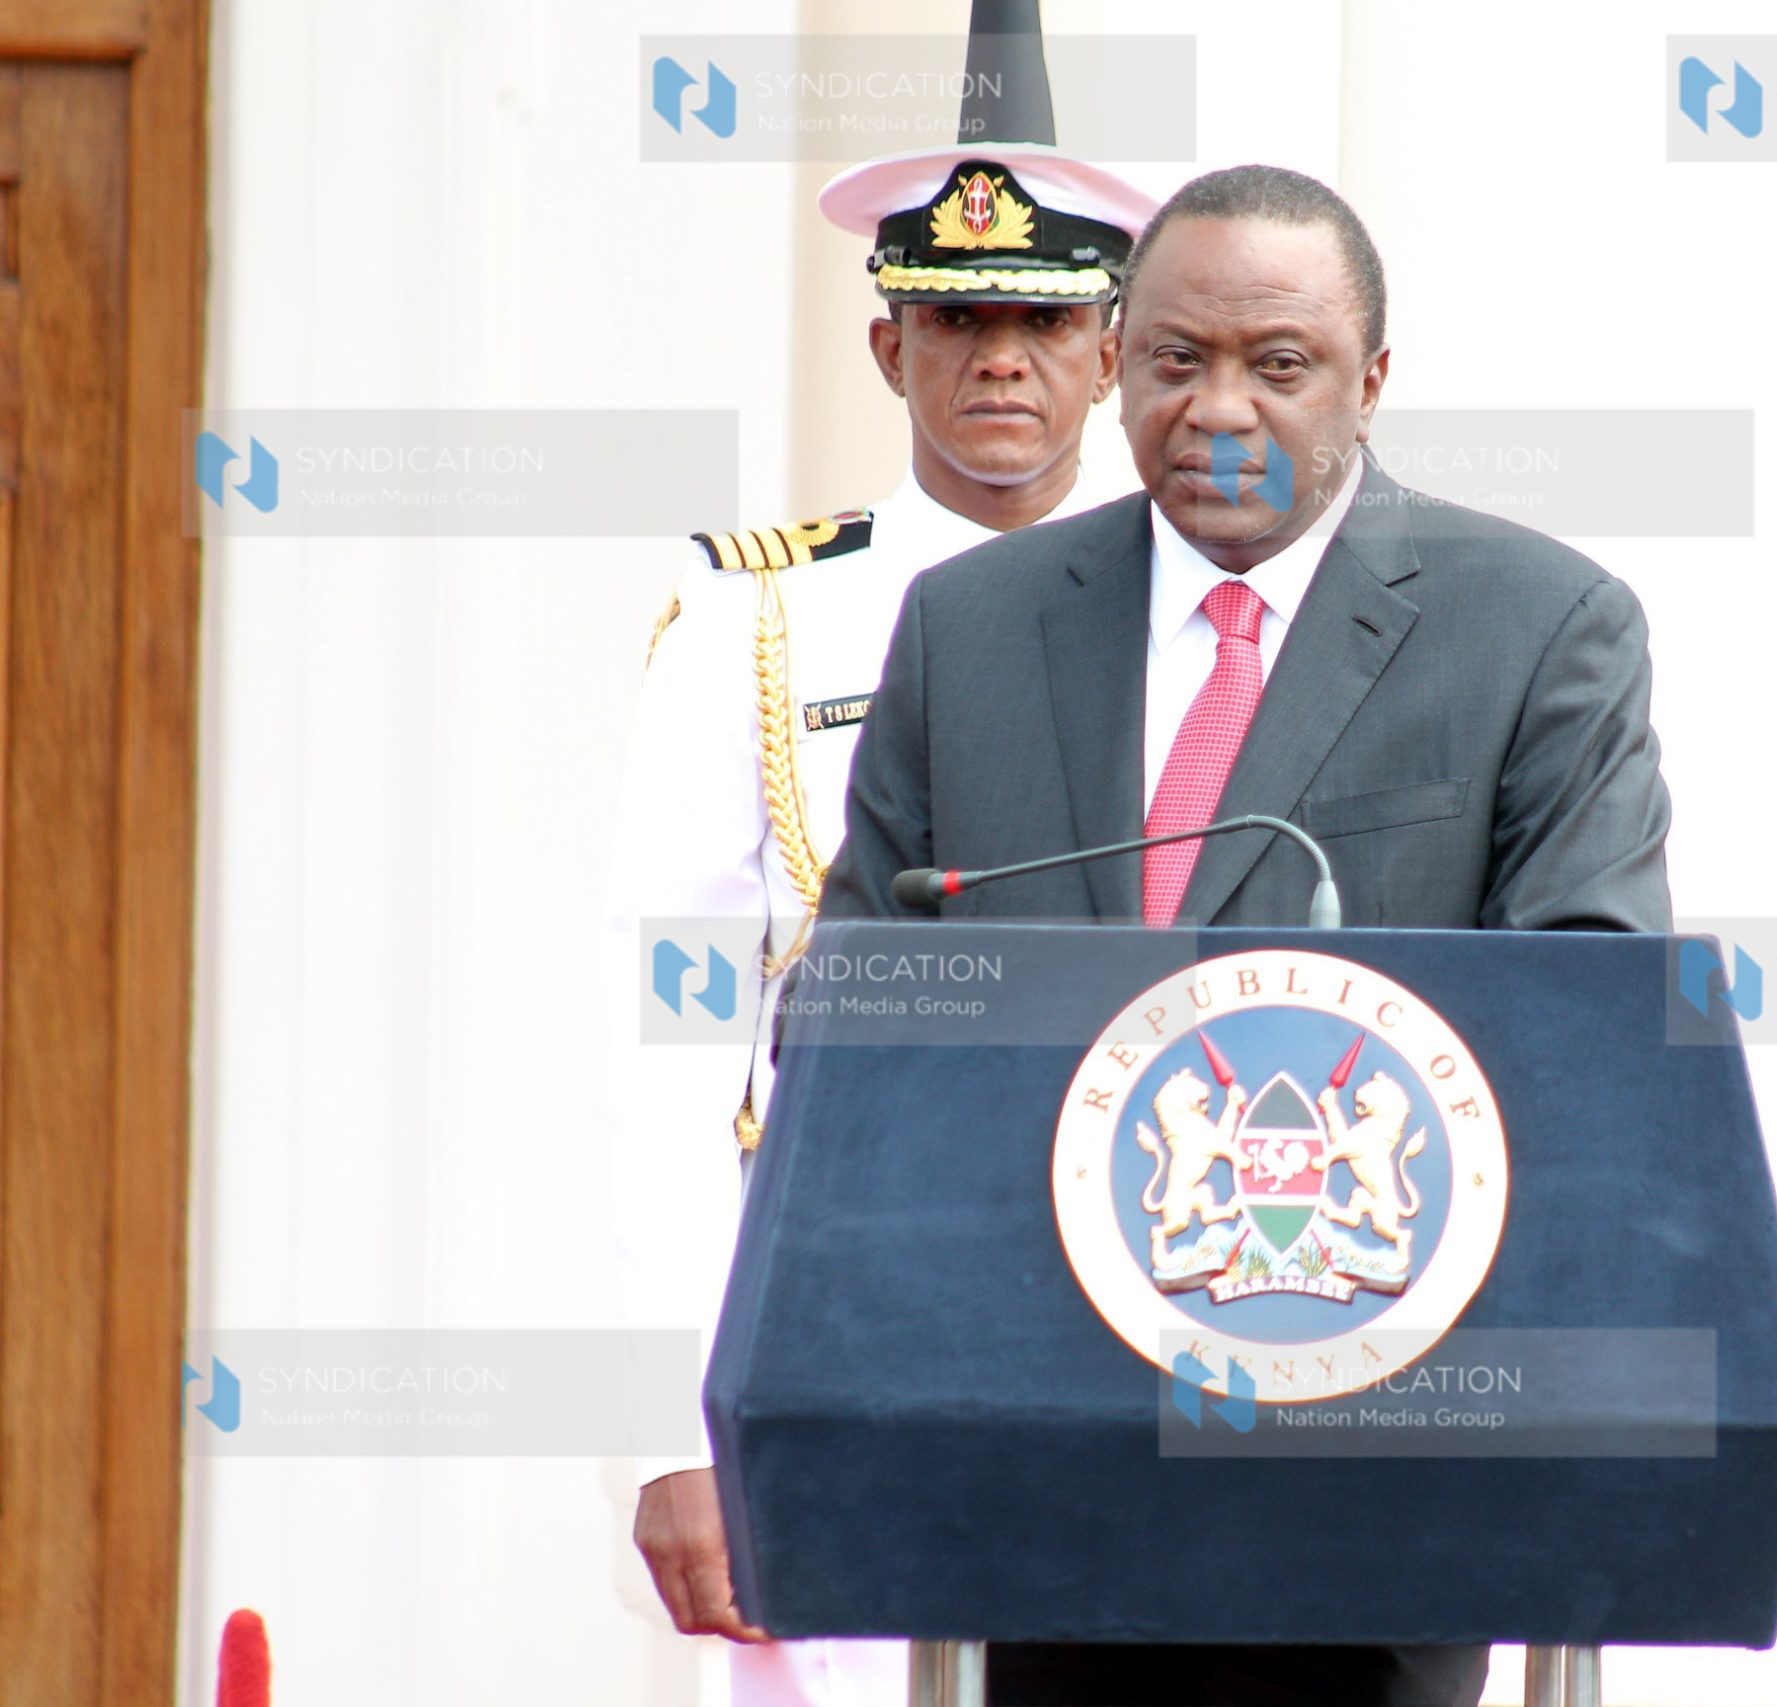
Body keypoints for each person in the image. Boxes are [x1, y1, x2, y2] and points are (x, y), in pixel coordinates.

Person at [819, 163, 1674, 1707]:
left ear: (1372, 382)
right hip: (1032, 1461)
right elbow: (858, 1025)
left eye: (1278, 367)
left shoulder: (1539, 625)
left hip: (1377, 1483)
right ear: (1112, 359)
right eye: (1173, 359)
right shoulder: (974, 626)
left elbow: (1587, 1037)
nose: (1220, 409)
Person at [602, 108, 1159, 1706]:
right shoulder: (755, 621)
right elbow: (668, 1043)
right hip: (841, 1302)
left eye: (1045, 319)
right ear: (885, 342)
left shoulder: (1197, 607)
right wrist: (673, 1425)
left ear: (1110, 350)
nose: (1001, 360)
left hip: (1139, 1303)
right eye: (956, 316)